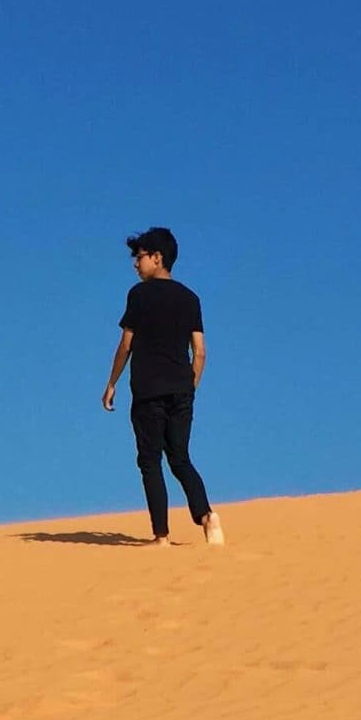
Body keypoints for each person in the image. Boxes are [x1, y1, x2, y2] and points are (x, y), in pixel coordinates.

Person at [102, 226, 224, 546]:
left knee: (150, 461)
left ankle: (162, 536)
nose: (135, 264)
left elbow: (125, 344)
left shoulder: (138, 295)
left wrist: (111, 383)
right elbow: (200, 352)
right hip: (182, 390)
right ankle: (208, 517)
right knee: (180, 457)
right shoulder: (190, 298)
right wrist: (189, 387)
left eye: (139, 257)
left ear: (157, 258)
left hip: (148, 391)